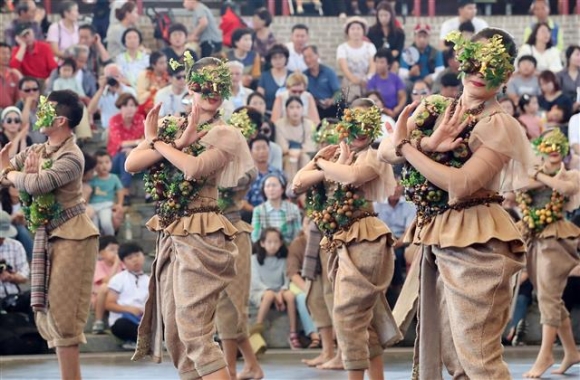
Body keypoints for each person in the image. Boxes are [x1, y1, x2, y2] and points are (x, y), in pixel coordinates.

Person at [378, 28, 534, 379]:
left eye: (493, 66)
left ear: (507, 75)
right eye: (474, 61)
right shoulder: (437, 106)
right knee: (454, 356)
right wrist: (429, 144)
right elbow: (383, 150)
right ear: (460, 60)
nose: (480, 72)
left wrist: (408, 148)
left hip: (480, 243)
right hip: (440, 238)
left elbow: (460, 184)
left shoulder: (500, 125)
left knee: (478, 357)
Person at [125, 57, 254, 379]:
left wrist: (164, 144)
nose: (212, 91)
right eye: (204, 84)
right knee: (177, 337)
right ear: (190, 87)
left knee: (194, 330)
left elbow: (194, 168)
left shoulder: (226, 133)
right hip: (172, 232)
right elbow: (132, 162)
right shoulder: (170, 125)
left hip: (202, 232)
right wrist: (173, 140)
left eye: (218, 85)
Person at [293, 98, 401, 379]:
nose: (361, 131)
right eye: (355, 124)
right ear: (345, 125)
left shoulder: (375, 155)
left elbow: (352, 176)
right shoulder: (331, 155)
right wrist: (320, 162)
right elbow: (297, 184)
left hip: (365, 237)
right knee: (364, 316)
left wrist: (323, 164)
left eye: (368, 124)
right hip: (337, 240)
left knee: (347, 313)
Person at [0, 90, 99, 380]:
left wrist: (16, 175)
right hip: (49, 233)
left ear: (59, 120)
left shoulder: (72, 155)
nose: (37, 113)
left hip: (73, 236)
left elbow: (40, 183)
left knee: (65, 315)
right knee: (49, 314)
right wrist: (15, 174)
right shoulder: (37, 151)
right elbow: (3, 175)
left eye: (45, 109)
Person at [518, 128, 580, 378]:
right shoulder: (531, 171)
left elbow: (566, 189)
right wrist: (539, 175)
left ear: (564, 148)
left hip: (556, 238)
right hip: (534, 236)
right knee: (546, 294)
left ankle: (545, 354)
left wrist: (541, 176)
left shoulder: (572, 173)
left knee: (549, 295)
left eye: (559, 144)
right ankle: (571, 352)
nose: (554, 149)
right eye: (548, 144)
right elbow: (518, 184)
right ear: (540, 148)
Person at [214, 107, 264, 380]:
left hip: (234, 231)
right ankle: (250, 366)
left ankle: (232, 369)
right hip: (213, 230)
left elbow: (229, 182)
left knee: (233, 301)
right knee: (222, 300)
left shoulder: (248, 166)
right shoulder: (220, 149)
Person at [250, 228, 301, 349]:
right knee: (269, 295)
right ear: (262, 243)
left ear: (281, 243)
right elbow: (256, 282)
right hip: (260, 291)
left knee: (290, 295)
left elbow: (286, 280)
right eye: (269, 242)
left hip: (279, 290)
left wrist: (282, 291)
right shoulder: (254, 259)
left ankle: (293, 333)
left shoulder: (283, 260)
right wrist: (273, 293)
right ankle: (257, 330)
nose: (273, 245)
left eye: (276, 242)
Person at [374, 178, 416, 305]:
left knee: (396, 255)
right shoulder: (376, 204)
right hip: (382, 240)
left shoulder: (410, 205)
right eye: (391, 185)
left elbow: (408, 232)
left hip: (401, 241)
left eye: (398, 185)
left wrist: (395, 244)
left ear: (402, 187)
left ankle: (397, 288)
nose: (395, 189)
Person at [105, 241, 150, 351]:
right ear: (123, 262)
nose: (135, 260)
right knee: (121, 326)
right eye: (130, 258)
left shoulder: (149, 280)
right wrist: (130, 309)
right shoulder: (118, 279)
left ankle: (143, 341)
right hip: (124, 319)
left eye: (138, 255)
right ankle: (147, 341)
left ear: (143, 256)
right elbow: (109, 304)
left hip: (144, 319)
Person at [287, 217, 322, 350]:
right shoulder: (297, 244)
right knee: (303, 298)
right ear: (303, 226)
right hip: (302, 283)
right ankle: (315, 336)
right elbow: (292, 272)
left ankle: (332, 337)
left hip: (322, 283)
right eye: (309, 223)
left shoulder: (326, 242)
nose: (312, 226)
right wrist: (308, 289)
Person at [107, 93, 144, 195]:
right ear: (120, 107)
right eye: (125, 105)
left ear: (136, 107)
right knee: (124, 156)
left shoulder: (140, 119)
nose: (129, 109)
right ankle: (125, 190)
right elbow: (119, 143)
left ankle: (149, 193)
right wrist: (136, 142)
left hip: (136, 153)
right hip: (116, 158)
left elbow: (145, 140)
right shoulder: (114, 120)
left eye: (132, 105)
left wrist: (132, 150)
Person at [274, 96, 317, 183]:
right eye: (291, 107)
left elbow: (311, 145)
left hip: (303, 153)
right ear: (286, 110)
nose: (295, 111)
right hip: (287, 155)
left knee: (304, 158)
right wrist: (291, 152)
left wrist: (299, 152)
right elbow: (281, 146)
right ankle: (291, 188)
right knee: (291, 159)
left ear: (302, 109)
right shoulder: (279, 124)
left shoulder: (309, 124)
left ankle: (306, 188)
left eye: (298, 107)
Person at [251, 174, 301, 245]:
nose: (271, 189)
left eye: (274, 185)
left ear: (282, 189)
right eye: (267, 186)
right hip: (265, 250)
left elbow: (298, 234)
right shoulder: (258, 210)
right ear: (263, 190)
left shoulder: (293, 208)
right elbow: (255, 237)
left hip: (288, 249)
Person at [243, 135, 286, 216]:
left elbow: (286, 198)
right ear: (251, 152)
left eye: (264, 148)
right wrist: (260, 213)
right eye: (257, 149)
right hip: (253, 214)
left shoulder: (278, 173)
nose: (261, 151)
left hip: (277, 214)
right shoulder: (246, 175)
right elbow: (243, 203)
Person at [337, 17, 376, 103]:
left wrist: (366, 79)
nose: (356, 31)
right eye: (352, 29)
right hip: (350, 81)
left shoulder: (370, 47)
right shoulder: (342, 48)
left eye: (358, 28)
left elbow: (373, 66)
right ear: (348, 32)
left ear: (363, 31)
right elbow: (344, 69)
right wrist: (355, 80)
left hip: (367, 80)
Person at [87, 63, 136, 130]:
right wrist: (101, 88)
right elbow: (90, 110)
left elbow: (134, 110)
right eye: (110, 77)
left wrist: (120, 93)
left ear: (121, 76)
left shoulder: (129, 91)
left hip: (126, 128)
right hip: (107, 129)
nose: (113, 80)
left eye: (116, 76)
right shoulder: (102, 92)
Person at [91, 236, 123, 335]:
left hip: (118, 298)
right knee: (105, 287)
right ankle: (98, 321)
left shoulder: (123, 265)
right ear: (101, 253)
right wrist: (116, 264)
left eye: (118, 250)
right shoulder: (98, 265)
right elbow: (109, 282)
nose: (116, 253)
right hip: (100, 300)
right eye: (112, 250)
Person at [89, 150, 124, 236]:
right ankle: (98, 245)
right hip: (93, 206)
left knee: (106, 223)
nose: (104, 165)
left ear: (111, 163)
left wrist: (119, 204)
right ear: (95, 166)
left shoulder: (114, 178)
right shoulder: (92, 179)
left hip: (106, 205)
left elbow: (120, 190)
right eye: (100, 163)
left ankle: (110, 240)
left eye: (107, 162)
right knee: (94, 226)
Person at [399, 24, 444, 91]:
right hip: (413, 83)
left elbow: (441, 72)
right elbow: (401, 73)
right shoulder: (407, 52)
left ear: (429, 37)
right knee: (404, 85)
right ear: (414, 37)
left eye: (424, 36)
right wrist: (410, 73)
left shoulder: (436, 53)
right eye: (419, 36)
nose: (422, 39)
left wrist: (431, 77)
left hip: (429, 83)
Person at [0, 210, 29, 312]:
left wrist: (11, 277)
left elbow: (24, 276)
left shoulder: (16, 246)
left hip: (12, 297)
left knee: (32, 297)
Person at [302, 45, 341, 120]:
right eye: (305, 58)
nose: (308, 60)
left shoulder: (328, 72)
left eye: (310, 56)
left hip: (331, 108)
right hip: (314, 108)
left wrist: (332, 100)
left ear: (317, 56)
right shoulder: (304, 75)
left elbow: (338, 91)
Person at [366, 48, 406, 119]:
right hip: (379, 114)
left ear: (388, 64)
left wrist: (397, 109)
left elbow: (402, 96)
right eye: (377, 62)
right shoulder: (372, 81)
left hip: (396, 112)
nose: (378, 65)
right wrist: (386, 111)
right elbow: (371, 101)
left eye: (381, 62)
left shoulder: (395, 78)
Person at [257, 44, 290, 111]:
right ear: (270, 60)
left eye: (281, 57)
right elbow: (259, 97)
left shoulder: (292, 75)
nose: (278, 60)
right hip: (269, 112)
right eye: (274, 58)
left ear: (286, 58)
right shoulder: (264, 76)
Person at [136, 51, 169, 116]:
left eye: (165, 62)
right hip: (147, 106)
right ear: (153, 65)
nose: (165, 65)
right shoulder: (144, 75)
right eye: (161, 63)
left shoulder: (169, 75)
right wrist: (156, 89)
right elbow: (140, 98)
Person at [557, 45, 580, 114]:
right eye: (577, 55)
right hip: (565, 108)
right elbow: (558, 94)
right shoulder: (560, 75)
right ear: (569, 57)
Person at [0, 42, 22, 109]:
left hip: (10, 112)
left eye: (8, 53)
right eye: (3, 53)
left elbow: (18, 98)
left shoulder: (14, 75)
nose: (6, 56)